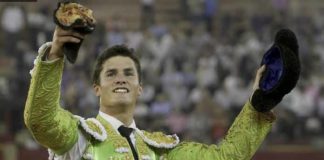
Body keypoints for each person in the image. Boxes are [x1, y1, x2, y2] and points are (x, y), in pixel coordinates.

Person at [24, 26, 276, 160]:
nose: (120, 78)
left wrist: (258, 105)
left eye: (128, 73)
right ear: (97, 89)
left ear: (139, 88)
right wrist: (55, 54)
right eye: (111, 74)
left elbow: (227, 157)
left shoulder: (161, 151)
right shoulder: (79, 138)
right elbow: (41, 120)